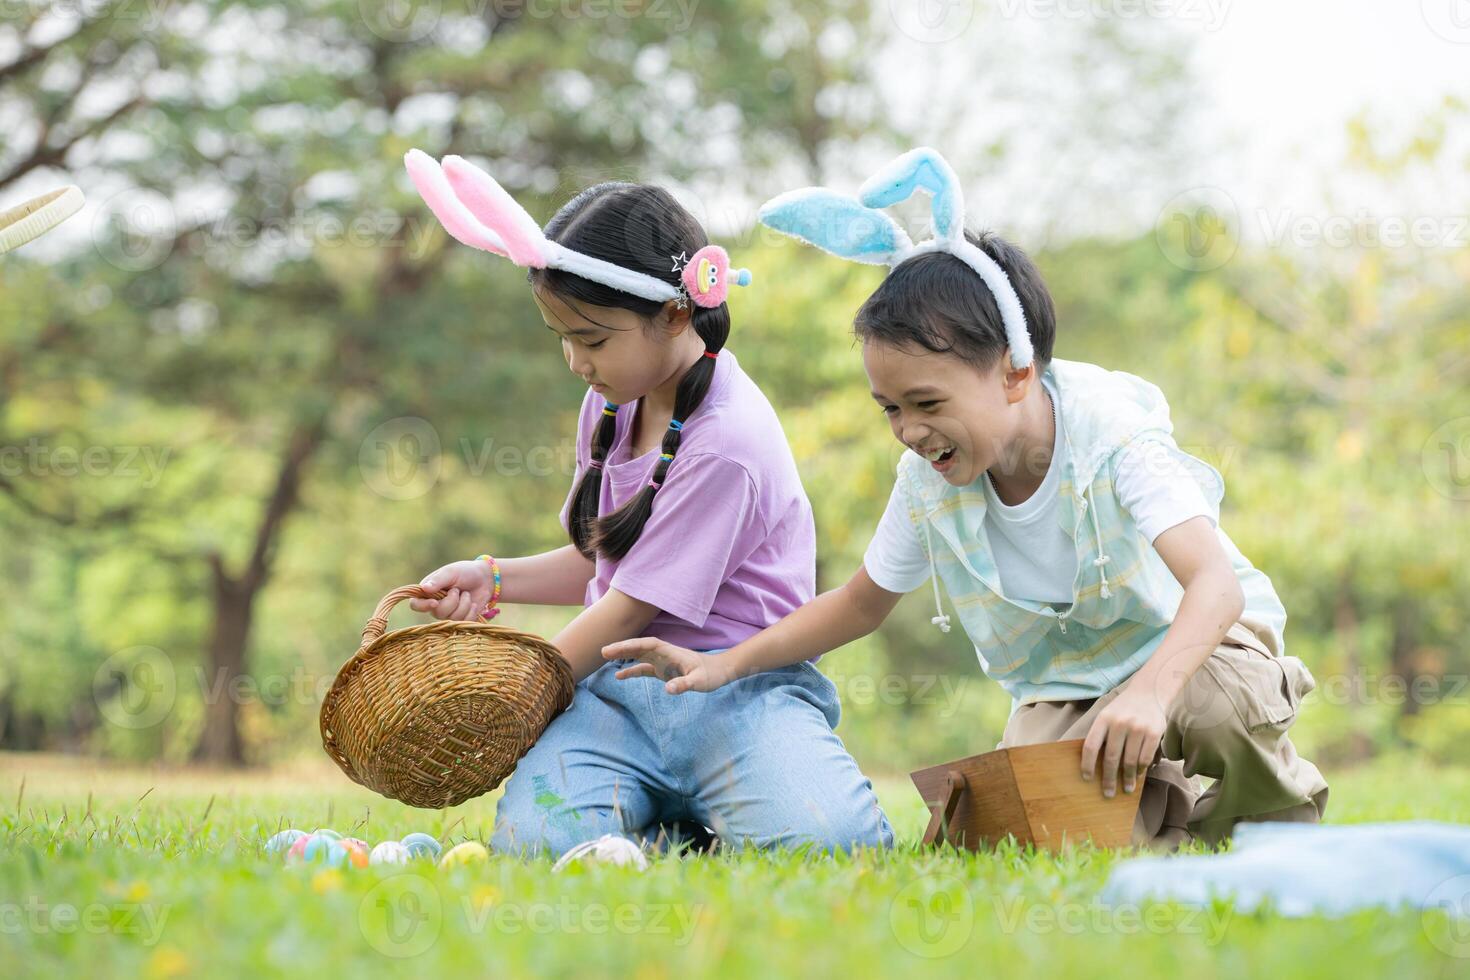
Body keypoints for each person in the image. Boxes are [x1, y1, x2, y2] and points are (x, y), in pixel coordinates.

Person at [605, 147, 1329, 849]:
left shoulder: (1113, 438)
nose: (910, 432)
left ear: (1015, 371)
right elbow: (860, 603)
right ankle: (1168, 823)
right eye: (889, 409)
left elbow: (1215, 585)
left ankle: (1273, 818)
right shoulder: (928, 484)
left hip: (1189, 648)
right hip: (1071, 684)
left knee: (1214, 706)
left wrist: (1150, 693)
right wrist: (724, 663)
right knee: (1019, 831)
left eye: (926, 402)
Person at [402, 150, 894, 860]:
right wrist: (495, 576)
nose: (576, 361)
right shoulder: (611, 403)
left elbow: (631, 604)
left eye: (593, 339)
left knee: (830, 843)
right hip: (617, 701)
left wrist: (516, 699)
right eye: (564, 338)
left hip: (735, 694)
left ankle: (704, 818)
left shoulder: (727, 441)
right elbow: (609, 563)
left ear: (673, 314)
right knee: (531, 845)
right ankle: (681, 839)